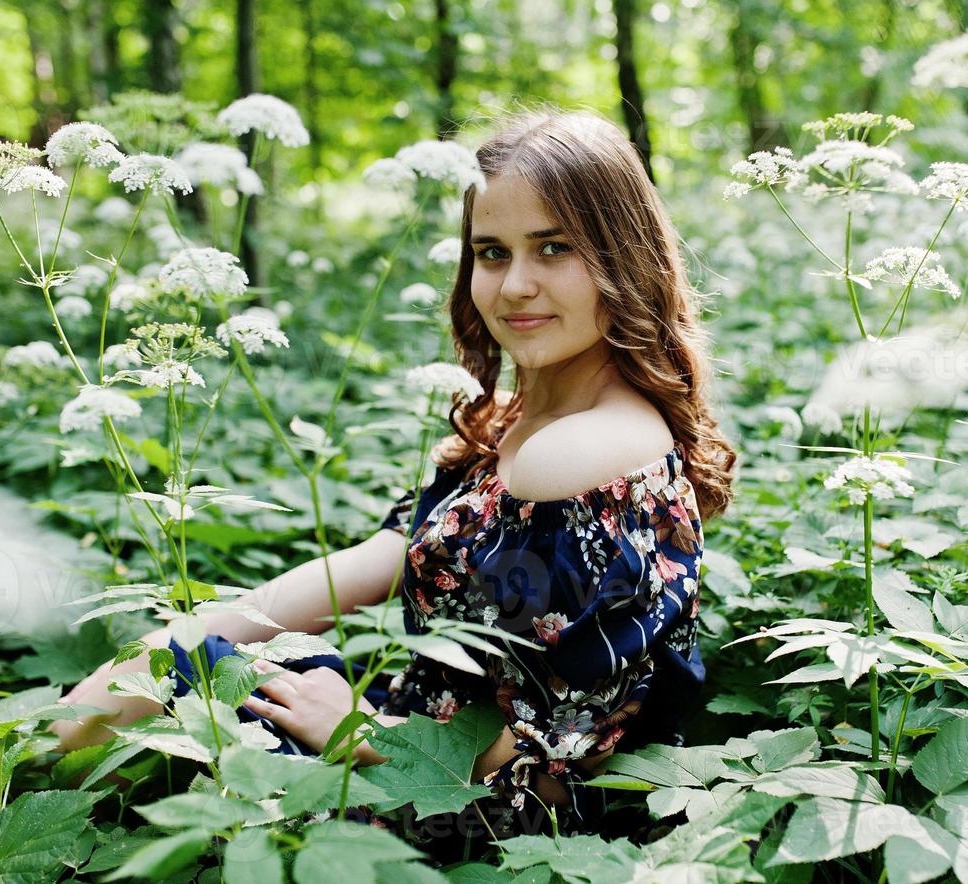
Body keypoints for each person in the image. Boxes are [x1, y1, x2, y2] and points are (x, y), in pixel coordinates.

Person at [50, 106, 737, 850]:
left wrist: (355, 730)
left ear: (622, 255)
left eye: (553, 248)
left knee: (177, 697)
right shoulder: (520, 423)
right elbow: (368, 565)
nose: (514, 286)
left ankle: (51, 813)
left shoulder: (575, 458)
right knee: (176, 665)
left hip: (471, 815)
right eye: (492, 252)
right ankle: (42, 787)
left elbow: (546, 752)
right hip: (406, 726)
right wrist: (186, 633)